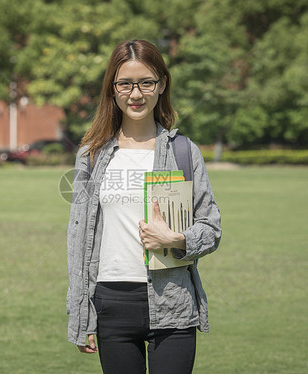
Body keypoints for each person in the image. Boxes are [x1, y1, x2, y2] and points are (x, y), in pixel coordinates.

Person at [67, 39, 222, 374]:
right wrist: (81, 315)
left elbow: (211, 229)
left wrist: (176, 240)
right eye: (125, 83)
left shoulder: (183, 151)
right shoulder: (91, 155)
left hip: (173, 305)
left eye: (146, 82)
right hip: (112, 304)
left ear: (161, 85)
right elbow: (79, 242)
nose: (135, 94)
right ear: (112, 88)